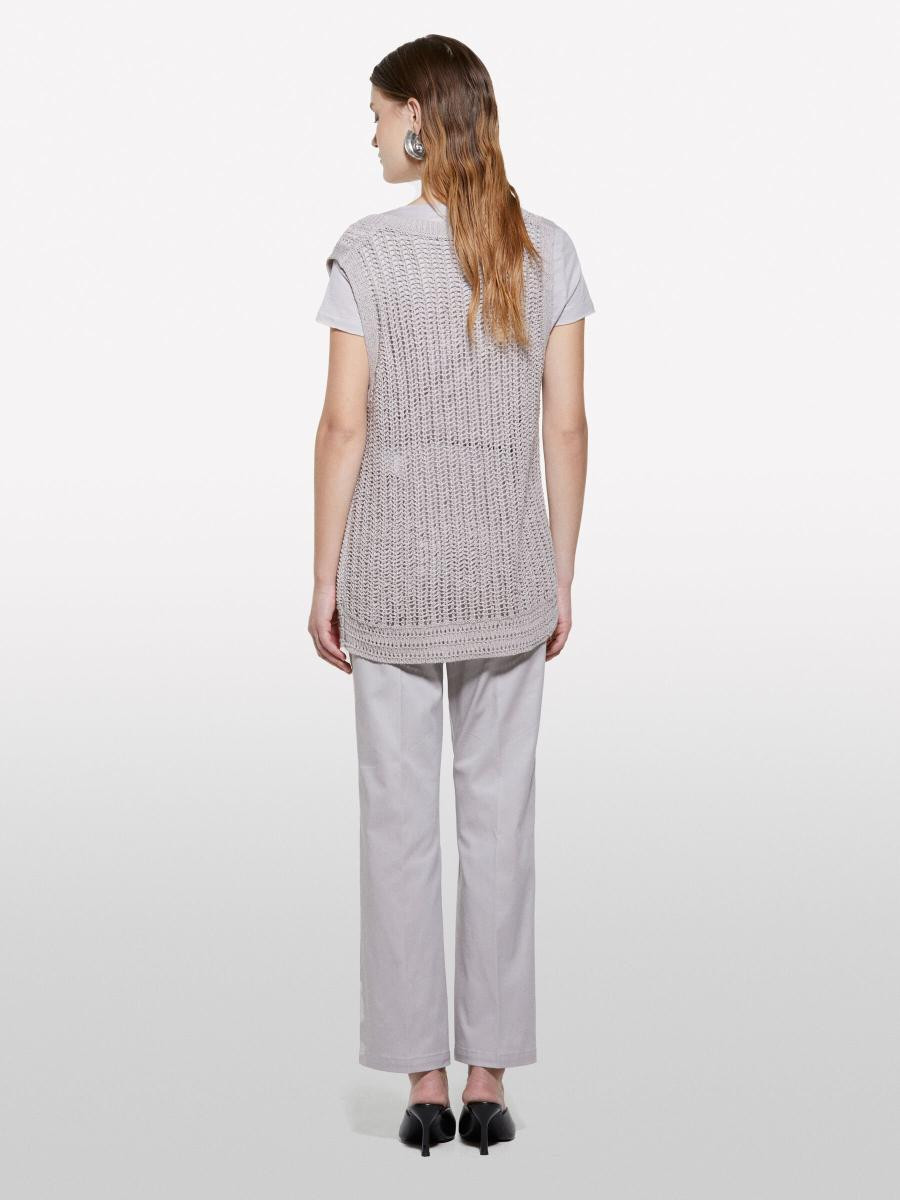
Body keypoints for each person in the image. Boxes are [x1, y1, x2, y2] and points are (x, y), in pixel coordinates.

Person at [310, 34, 593, 1155]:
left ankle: (422, 1085)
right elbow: (567, 425)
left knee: (397, 830)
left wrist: (322, 575)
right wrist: (559, 572)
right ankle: (489, 1083)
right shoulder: (547, 250)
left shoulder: (367, 255)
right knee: (499, 827)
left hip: (390, 577)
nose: (372, 134)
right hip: (508, 577)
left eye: (379, 114)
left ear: (421, 119)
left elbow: (343, 426)